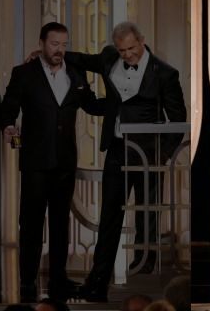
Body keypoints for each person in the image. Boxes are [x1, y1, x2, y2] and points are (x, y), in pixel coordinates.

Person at [61, 21, 187, 302]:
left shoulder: (165, 73)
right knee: (109, 218)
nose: (127, 55)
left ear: (142, 41)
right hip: (117, 151)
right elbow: (83, 59)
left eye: (131, 49)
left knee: (147, 219)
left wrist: (162, 155)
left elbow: (177, 121)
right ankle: (97, 283)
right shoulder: (109, 58)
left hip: (148, 156)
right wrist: (55, 55)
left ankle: (144, 289)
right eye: (122, 51)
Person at [1, 22, 103, 302]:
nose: (59, 50)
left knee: (60, 223)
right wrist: (9, 126)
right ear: (42, 43)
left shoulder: (75, 72)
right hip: (35, 161)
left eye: (64, 44)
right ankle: (27, 281)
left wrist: (119, 102)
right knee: (32, 223)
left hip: (65, 162)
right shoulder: (24, 73)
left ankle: (58, 278)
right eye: (54, 44)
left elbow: (92, 105)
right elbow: (8, 107)